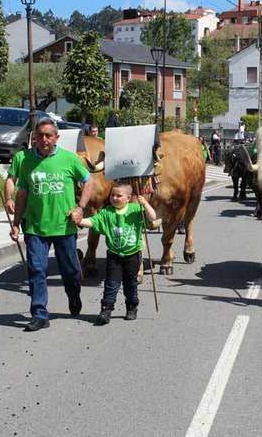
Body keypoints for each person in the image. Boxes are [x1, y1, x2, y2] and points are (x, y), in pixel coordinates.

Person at [10, 118, 94, 332]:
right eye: (40, 135)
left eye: (49, 135)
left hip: (64, 227)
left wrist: (80, 208)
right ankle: (39, 314)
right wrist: (16, 223)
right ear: (35, 138)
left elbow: (89, 181)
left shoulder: (69, 159)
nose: (44, 139)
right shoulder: (26, 160)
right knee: (36, 269)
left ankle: (73, 295)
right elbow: (22, 193)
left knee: (71, 271)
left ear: (57, 138)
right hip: (35, 228)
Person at [79, 182, 156, 324]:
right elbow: (93, 222)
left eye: (118, 196)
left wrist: (145, 204)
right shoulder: (107, 212)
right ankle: (106, 309)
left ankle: (132, 306)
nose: (114, 198)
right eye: (112, 195)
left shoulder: (135, 209)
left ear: (128, 198)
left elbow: (152, 217)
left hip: (133, 254)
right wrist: (79, 220)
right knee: (111, 283)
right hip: (114, 254)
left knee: (130, 283)